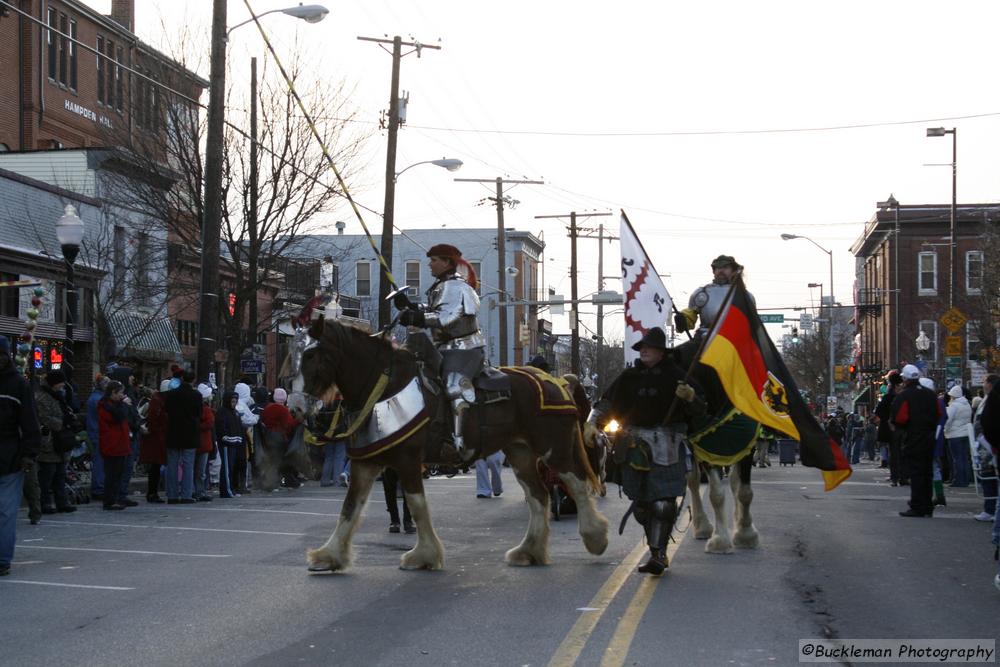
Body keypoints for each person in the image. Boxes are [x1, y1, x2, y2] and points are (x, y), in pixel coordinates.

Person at [585, 327, 705, 576]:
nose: (644, 350)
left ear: (661, 351)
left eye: (649, 347)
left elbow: (701, 410)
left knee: (662, 503)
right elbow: (607, 401)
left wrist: (691, 397)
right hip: (633, 444)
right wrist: (591, 421)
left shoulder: (678, 376)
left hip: (666, 442)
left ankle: (658, 554)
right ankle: (655, 548)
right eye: (642, 348)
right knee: (641, 505)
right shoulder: (629, 376)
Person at [395, 243, 483, 455]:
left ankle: (457, 442)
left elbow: (447, 317)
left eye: (434, 260)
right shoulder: (441, 286)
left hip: (464, 349)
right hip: (442, 348)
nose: (430, 265)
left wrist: (417, 317)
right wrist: (411, 306)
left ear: (447, 262)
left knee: (454, 385)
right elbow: (435, 309)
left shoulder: (456, 287)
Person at [0, 336, 41, 575]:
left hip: (10, 459)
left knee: (6, 512)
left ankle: (3, 559)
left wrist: (29, 453)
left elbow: (30, 422)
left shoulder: (18, 384)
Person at [891, 365, 942, 517]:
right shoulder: (930, 395)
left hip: (913, 437)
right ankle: (927, 505)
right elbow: (938, 414)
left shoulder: (905, 396)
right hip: (929, 436)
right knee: (927, 472)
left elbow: (900, 418)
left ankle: (917, 505)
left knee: (916, 473)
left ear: (905, 379)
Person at [34, 370, 77, 514]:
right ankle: (45, 502)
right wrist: (61, 423)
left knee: (60, 473)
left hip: (61, 440)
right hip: (49, 440)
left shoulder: (59, 397)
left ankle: (62, 501)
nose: (62, 387)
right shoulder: (41, 397)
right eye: (60, 384)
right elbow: (44, 417)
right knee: (47, 474)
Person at [163, 370, 201, 504]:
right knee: (188, 465)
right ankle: (186, 494)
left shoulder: (171, 394)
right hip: (189, 432)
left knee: (172, 464)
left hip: (173, 431)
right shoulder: (196, 395)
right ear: (193, 380)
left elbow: (166, 410)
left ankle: (172, 495)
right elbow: (198, 413)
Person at [97, 381, 132, 511]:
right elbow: (119, 416)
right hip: (112, 444)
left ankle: (115, 498)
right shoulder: (106, 406)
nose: (122, 395)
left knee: (117, 474)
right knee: (112, 474)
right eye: (120, 393)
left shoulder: (114, 405)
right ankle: (110, 501)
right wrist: (124, 405)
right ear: (113, 392)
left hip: (119, 443)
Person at [260, 388, 301, 490]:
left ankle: (272, 482)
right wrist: (299, 420)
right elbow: (289, 424)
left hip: (268, 436)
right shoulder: (283, 409)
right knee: (281, 460)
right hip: (279, 437)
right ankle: (281, 482)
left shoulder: (268, 408)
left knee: (272, 460)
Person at [972, 374, 998, 523]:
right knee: (987, 475)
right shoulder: (987, 399)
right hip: (983, 442)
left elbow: (986, 421)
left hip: (988, 443)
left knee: (988, 476)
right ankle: (990, 508)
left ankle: (991, 508)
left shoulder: (991, 400)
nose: (982, 385)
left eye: (984, 382)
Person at [139, 380, 170, 503]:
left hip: (157, 438)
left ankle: (153, 492)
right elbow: (155, 421)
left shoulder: (158, 400)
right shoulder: (157, 402)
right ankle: (152, 493)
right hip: (155, 440)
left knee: (155, 468)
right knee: (154, 468)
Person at [874, 371, 904, 483]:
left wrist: (886, 419)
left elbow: (879, 411)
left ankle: (895, 476)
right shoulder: (902, 396)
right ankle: (901, 476)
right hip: (902, 427)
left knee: (894, 452)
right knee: (900, 452)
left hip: (891, 428)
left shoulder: (888, 397)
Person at [216, 391, 245, 498]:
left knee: (231, 467)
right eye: (232, 401)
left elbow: (238, 427)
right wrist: (226, 438)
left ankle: (230, 488)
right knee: (227, 467)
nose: (234, 403)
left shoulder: (235, 412)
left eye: (235, 401)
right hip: (227, 444)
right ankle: (226, 490)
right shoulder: (222, 412)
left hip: (235, 443)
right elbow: (221, 429)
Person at [944, 384, 973, 488]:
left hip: (954, 434)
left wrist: (945, 430)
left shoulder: (954, 405)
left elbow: (948, 420)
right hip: (965, 434)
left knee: (957, 458)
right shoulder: (967, 404)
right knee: (964, 458)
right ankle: (966, 479)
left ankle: (959, 480)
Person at [232, 382, 258, 494]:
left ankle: (238, 485)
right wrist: (256, 418)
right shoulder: (241, 405)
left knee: (238, 461)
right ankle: (241, 485)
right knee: (242, 461)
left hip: (238, 436)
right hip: (243, 435)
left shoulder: (238, 403)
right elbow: (248, 420)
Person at [85, 375, 106, 501]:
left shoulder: (95, 398)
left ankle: (99, 487)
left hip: (95, 432)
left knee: (100, 462)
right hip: (98, 433)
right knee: (100, 462)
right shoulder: (99, 400)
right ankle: (98, 488)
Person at [194, 383, 215, 502]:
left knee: (196, 470)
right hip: (204, 443)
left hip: (197, 442)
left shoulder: (203, 410)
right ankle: (200, 491)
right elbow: (210, 423)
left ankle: (196, 490)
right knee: (201, 471)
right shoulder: (206, 410)